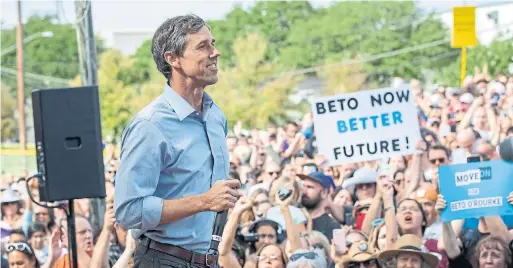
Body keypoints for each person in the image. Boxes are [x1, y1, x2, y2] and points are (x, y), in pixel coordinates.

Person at [114, 14, 241, 267]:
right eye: (202, 46)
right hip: (163, 260)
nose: (215, 53)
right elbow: (129, 211)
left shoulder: (216, 116)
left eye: (212, 44)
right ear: (173, 59)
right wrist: (204, 201)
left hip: (209, 260)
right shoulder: (150, 126)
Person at [297, 172, 340, 240]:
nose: (304, 191)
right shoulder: (296, 218)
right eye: (303, 186)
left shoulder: (333, 226)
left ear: (324, 192)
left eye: (310, 187)